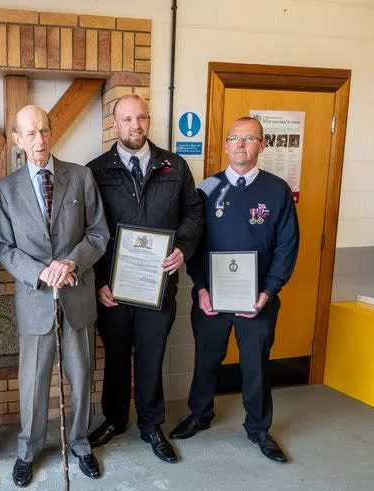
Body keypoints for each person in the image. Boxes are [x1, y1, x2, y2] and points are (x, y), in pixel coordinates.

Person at [169, 116, 300, 463]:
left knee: (255, 364)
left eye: (249, 138)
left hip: (257, 299)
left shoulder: (277, 191)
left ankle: (258, 428)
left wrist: (268, 291)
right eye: (234, 138)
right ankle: (200, 414)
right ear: (226, 145)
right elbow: (192, 243)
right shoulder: (206, 190)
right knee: (207, 359)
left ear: (262, 145)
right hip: (211, 297)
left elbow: (288, 245)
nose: (241, 144)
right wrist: (200, 288)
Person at [0, 105, 109, 486]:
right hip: (35, 298)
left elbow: (98, 234)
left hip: (77, 297)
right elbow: (4, 247)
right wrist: (40, 272)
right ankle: (29, 448)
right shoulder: (5, 190)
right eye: (30, 133)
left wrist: (71, 263)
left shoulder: (80, 176)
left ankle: (79, 442)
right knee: (34, 381)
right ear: (17, 140)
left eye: (44, 130)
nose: (39, 140)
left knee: (81, 374)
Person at [86, 94, 204, 462]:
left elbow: (194, 214)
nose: (135, 126)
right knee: (117, 356)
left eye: (140, 118)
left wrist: (183, 248)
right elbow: (88, 229)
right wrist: (98, 282)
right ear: (114, 124)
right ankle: (115, 419)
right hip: (114, 289)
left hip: (158, 286)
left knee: (152, 356)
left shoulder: (175, 166)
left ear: (148, 121)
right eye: (126, 119)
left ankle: (152, 425)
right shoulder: (95, 171)